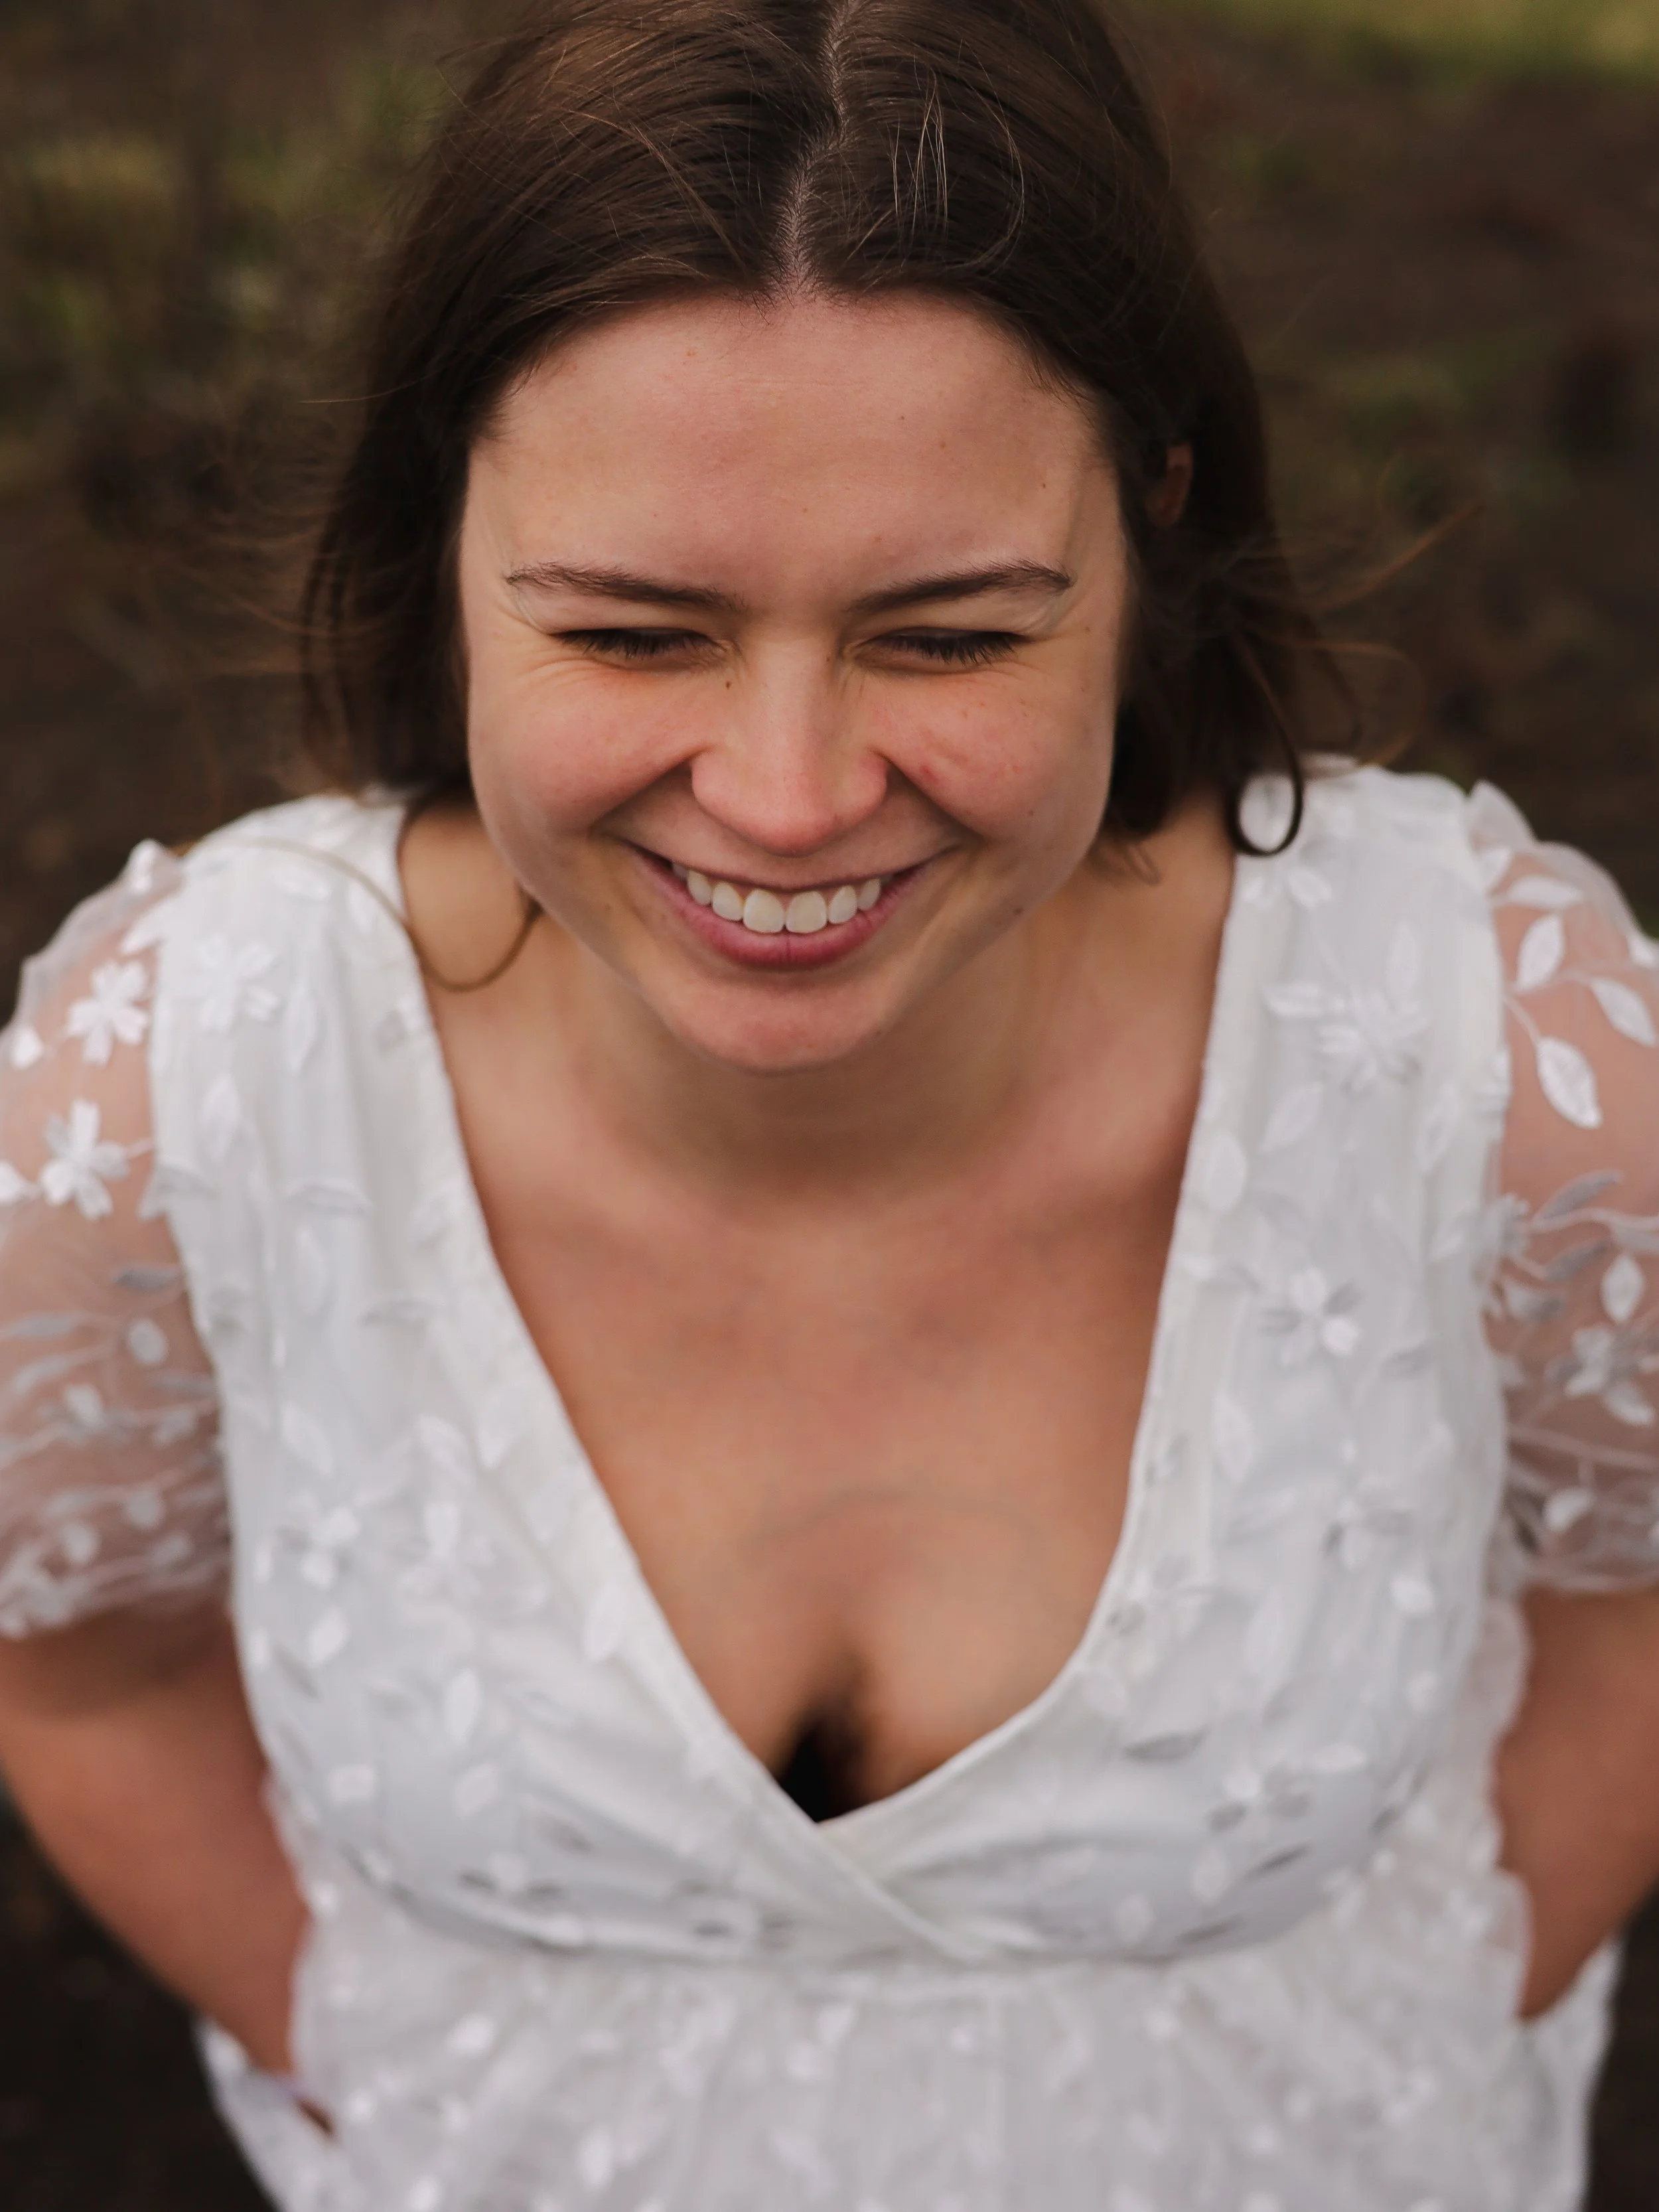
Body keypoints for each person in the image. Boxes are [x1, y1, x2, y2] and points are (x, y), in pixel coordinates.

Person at [1, 1, 1657, 2205]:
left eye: (949, 638)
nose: (785, 802)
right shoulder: (167, 1091)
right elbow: (85, 1675)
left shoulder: (1504, 1065)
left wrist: (1416, 2034)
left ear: (1151, 531)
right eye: (632, 634)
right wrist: (393, 2067)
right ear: (446, 530)